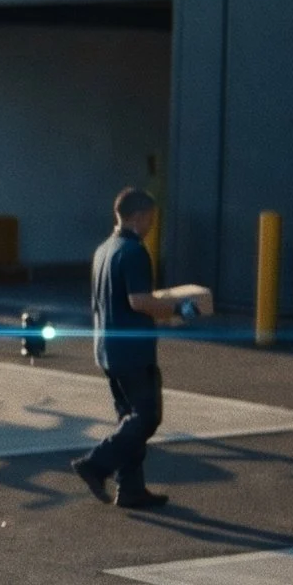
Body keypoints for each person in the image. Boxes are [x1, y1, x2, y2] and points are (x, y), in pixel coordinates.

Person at [69, 187, 196, 511]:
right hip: (133, 350)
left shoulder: (104, 250)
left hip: (107, 347)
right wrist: (178, 310)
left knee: (128, 418)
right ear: (137, 217)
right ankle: (96, 464)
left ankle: (131, 488)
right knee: (147, 416)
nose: (152, 225)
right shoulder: (135, 251)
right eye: (151, 219)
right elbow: (139, 301)